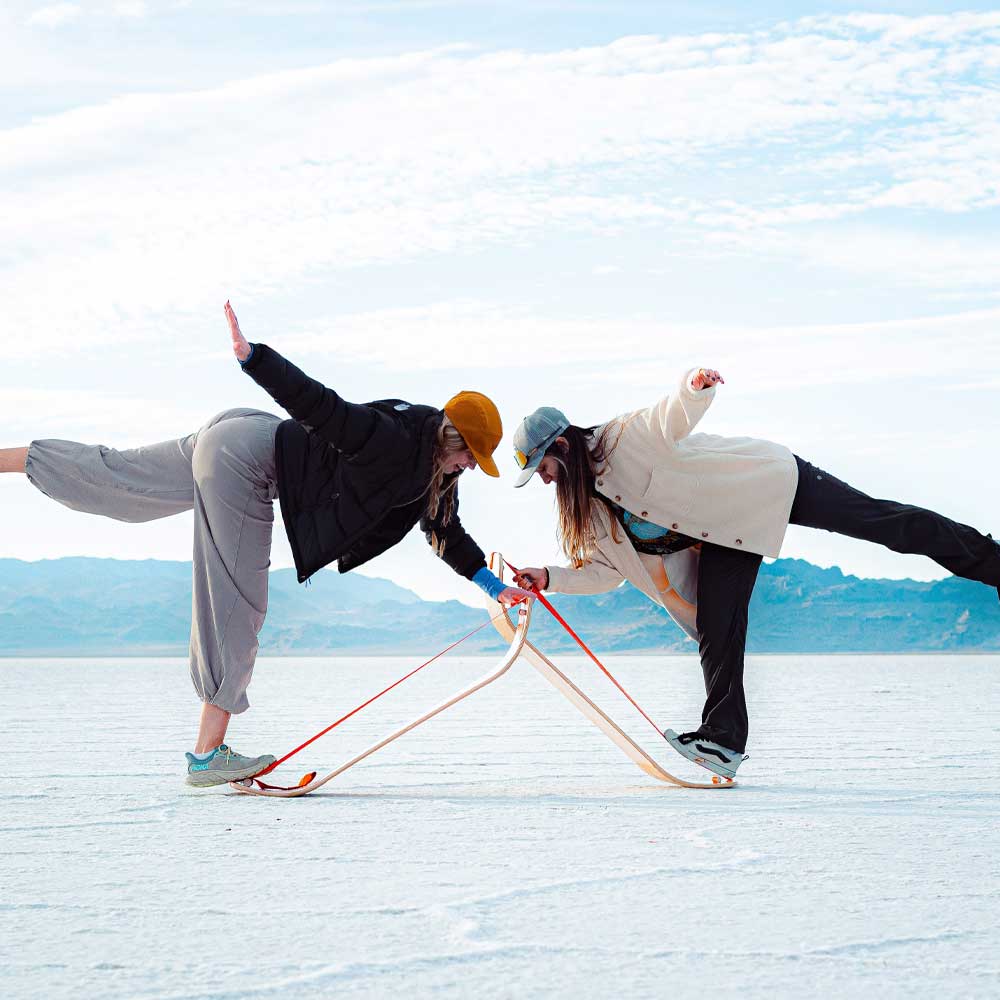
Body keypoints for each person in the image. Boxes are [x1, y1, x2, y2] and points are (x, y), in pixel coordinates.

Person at [0, 301, 531, 787]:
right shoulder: (393, 437)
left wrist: (491, 585)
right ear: (453, 439)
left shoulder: (431, 472)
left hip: (238, 434)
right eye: (470, 458)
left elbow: (444, 532)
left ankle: (11, 459)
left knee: (119, 476)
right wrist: (255, 358)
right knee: (237, 601)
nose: (468, 468)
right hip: (246, 461)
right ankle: (209, 757)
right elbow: (323, 407)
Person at [510, 367, 1000, 779]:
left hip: (765, 482)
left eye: (543, 467)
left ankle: (991, 561)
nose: (544, 480)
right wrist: (549, 578)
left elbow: (670, 415)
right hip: (727, 533)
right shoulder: (588, 512)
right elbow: (604, 572)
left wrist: (694, 385)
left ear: (564, 447)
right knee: (717, 626)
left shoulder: (621, 439)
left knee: (881, 523)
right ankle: (722, 742)